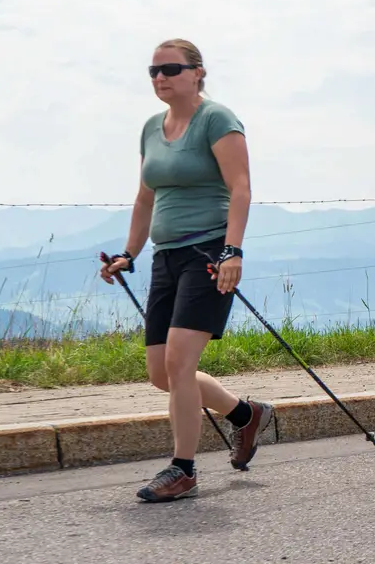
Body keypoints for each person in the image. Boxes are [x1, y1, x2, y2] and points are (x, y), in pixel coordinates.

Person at [99, 39, 273, 503]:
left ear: (198, 72)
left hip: (209, 254)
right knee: (161, 372)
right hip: (165, 257)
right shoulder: (151, 128)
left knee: (179, 363)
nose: (160, 78)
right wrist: (128, 253)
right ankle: (245, 414)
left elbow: (241, 187)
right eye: (153, 70)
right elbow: (145, 197)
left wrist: (233, 251)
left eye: (171, 69)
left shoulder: (217, 119)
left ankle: (183, 469)